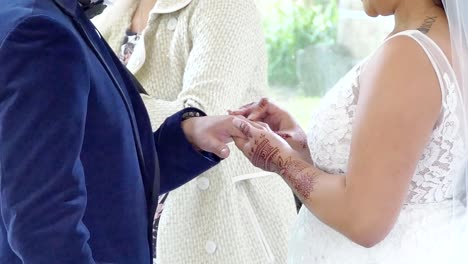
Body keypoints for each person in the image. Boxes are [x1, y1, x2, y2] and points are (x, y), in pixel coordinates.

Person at [0, 0, 245, 263]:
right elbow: (44, 222)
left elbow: (98, 171)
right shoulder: (42, 33)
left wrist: (184, 139)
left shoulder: (47, 19)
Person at [230, 0, 468, 263]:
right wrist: (301, 146)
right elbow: (390, 176)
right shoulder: (442, 41)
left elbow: (364, 219)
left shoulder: (409, 53)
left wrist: (280, 158)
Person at [92, 0, 296, 263]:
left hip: (223, 223)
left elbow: (204, 116)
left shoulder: (225, 5)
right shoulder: (113, 13)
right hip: (139, 221)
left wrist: (98, 102)